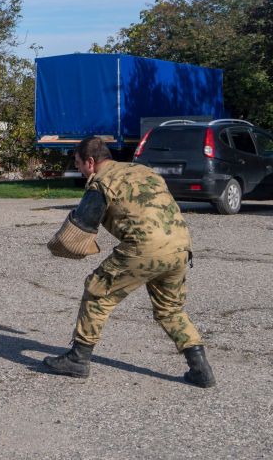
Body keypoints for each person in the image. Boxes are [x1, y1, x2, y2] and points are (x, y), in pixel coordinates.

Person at [43, 136, 215, 388]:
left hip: (145, 247)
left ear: (90, 162)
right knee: (170, 310)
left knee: (97, 291)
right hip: (181, 246)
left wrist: (59, 244)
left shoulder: (101, 182)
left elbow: (81, 227)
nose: (78, 169)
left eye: (78, 163)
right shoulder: (142, 170)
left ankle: (78, 359)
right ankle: (200, 368)